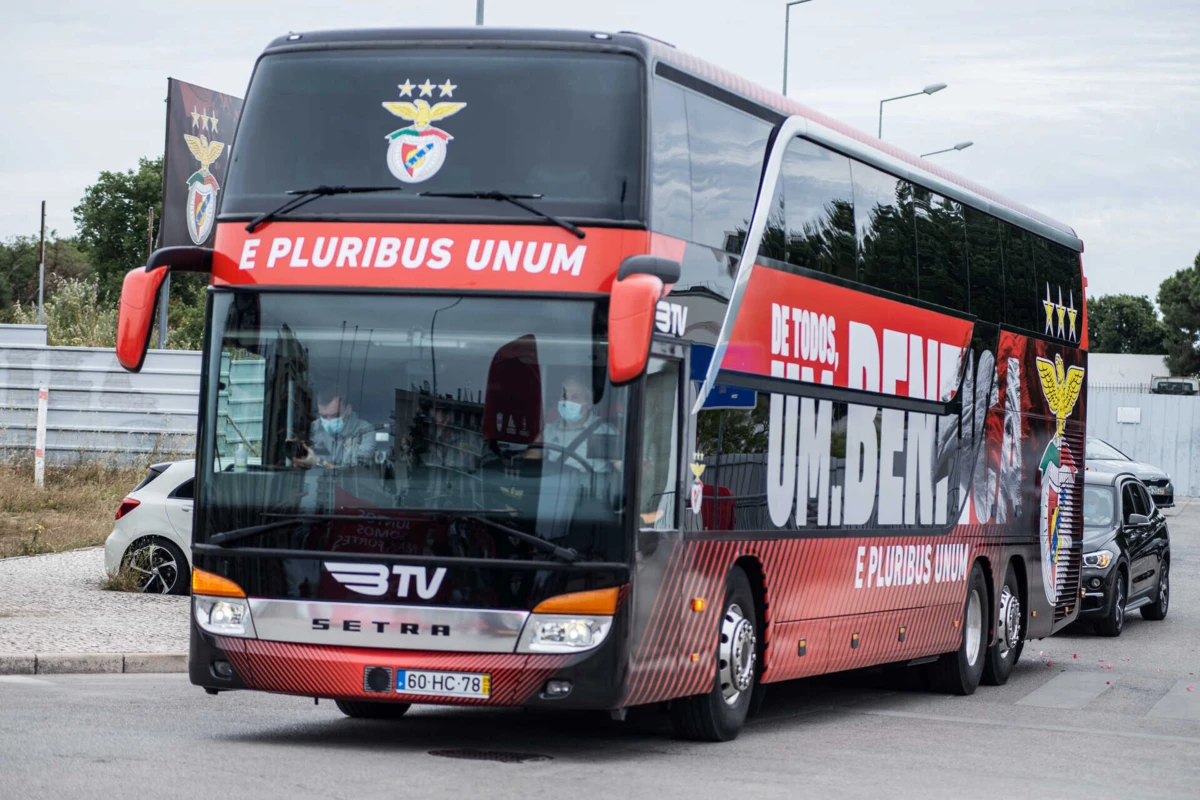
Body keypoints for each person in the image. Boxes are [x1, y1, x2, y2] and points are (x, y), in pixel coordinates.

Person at [291, 387, 375, 469]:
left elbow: (355, 471)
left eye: (335, 415)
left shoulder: (365, 431)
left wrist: (319, 462)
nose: (329, 421)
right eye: (324, 416)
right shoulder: (314, 428)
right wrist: (298, 456)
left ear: (348, 409)